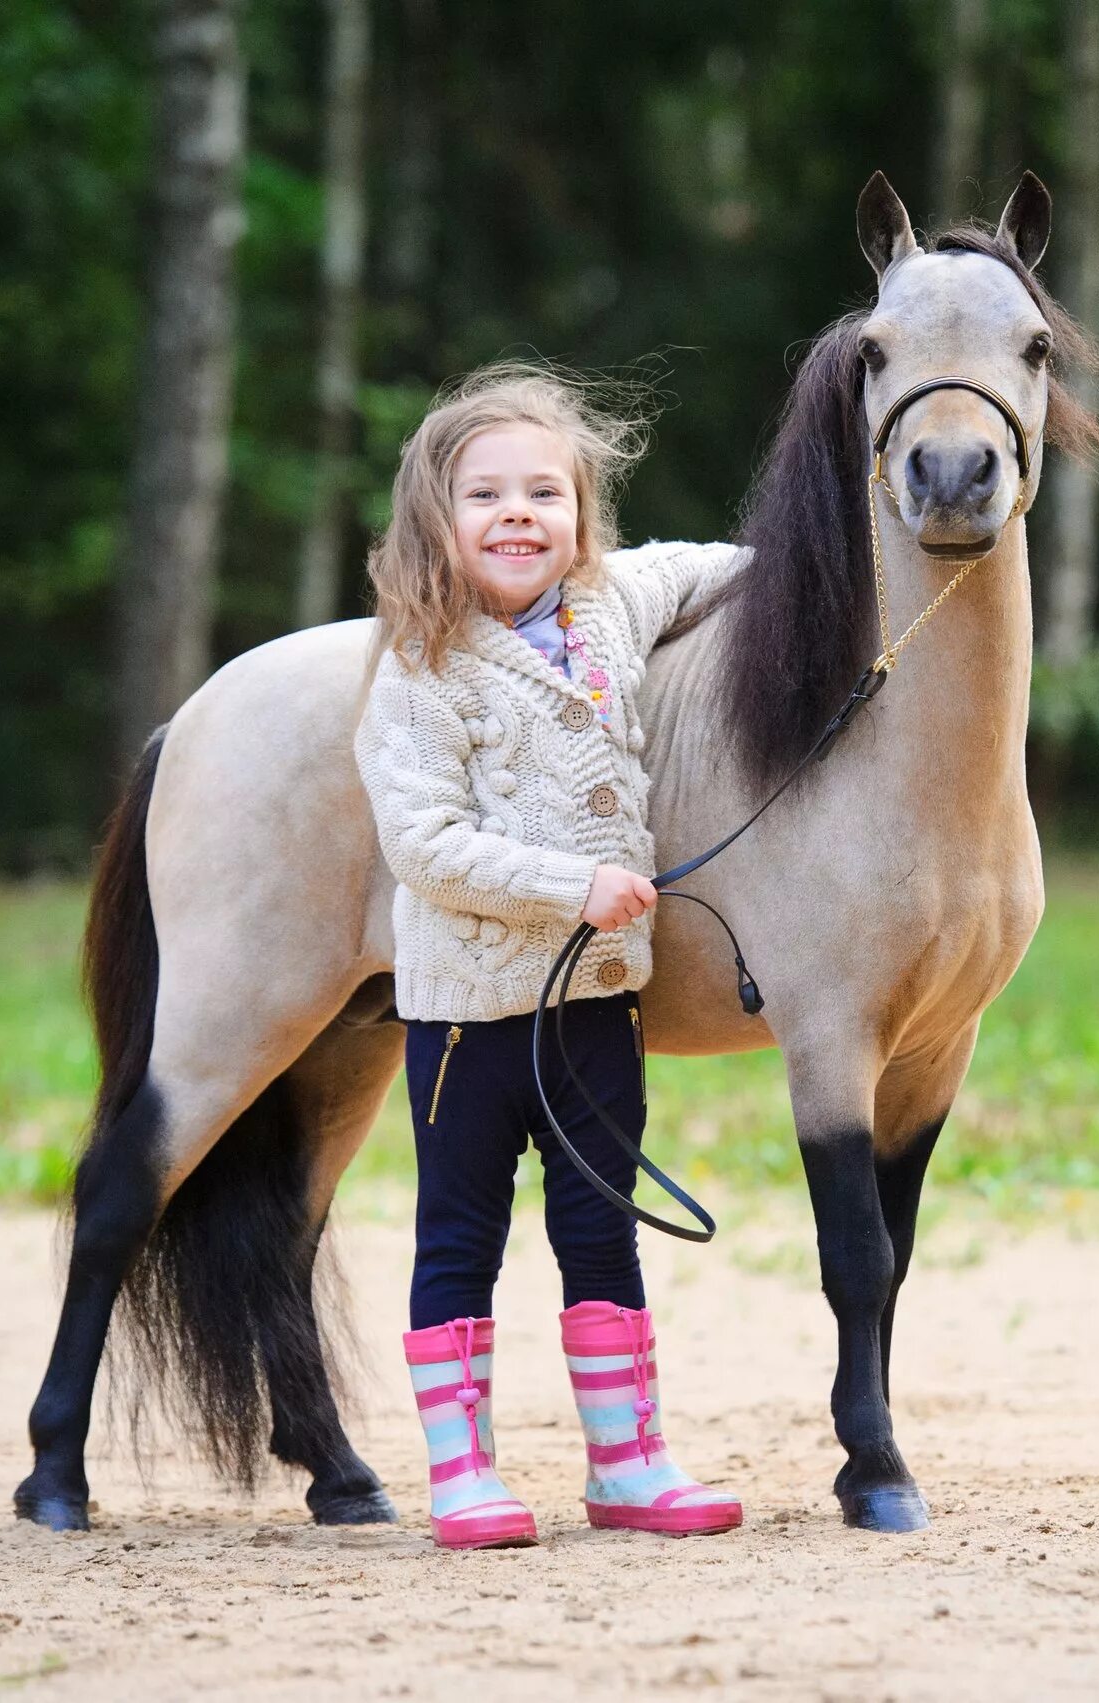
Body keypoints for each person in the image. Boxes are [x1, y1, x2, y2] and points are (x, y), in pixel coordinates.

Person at [352, 365, 746, 1549]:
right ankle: (461, 1473)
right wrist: (572, 884)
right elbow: (424, 844)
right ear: (437, 517)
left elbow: (717, 562)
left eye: (545, 492)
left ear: (581, 514)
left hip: (593, 1006)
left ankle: (628, 1463)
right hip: (468, 1017)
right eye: (486, 494)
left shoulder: (611, 606)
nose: (518, 513)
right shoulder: (418, 669)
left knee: (600, 1229)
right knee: (458, 1234)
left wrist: (819, 546)